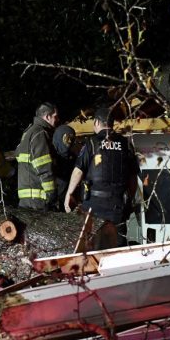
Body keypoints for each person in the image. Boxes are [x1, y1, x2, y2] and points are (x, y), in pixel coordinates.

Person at [64, 105, 139, 249]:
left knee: (93, 247)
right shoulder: (127, 144)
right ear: (111, 123)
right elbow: (133, 178)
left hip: (94, 206)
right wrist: (128, 199)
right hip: (118, 205)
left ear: (97, 123)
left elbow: (78, 171)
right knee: (118, 247)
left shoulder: (91, 143)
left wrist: (69, 193)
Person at [16, 102, 59, 209]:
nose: (57, 119)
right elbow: (43, 166)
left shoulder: (29, 132)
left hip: (27, 197)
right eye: (55, 116)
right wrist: (51, 193)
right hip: (38, 198)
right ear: (47, 117)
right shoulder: (40, 133)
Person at [52, 124, 78, 211]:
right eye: (67, 138)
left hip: (68, 198)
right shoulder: (51, 156)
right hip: (53, 198)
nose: (69, 141)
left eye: (71, 138)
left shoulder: (73, 157)